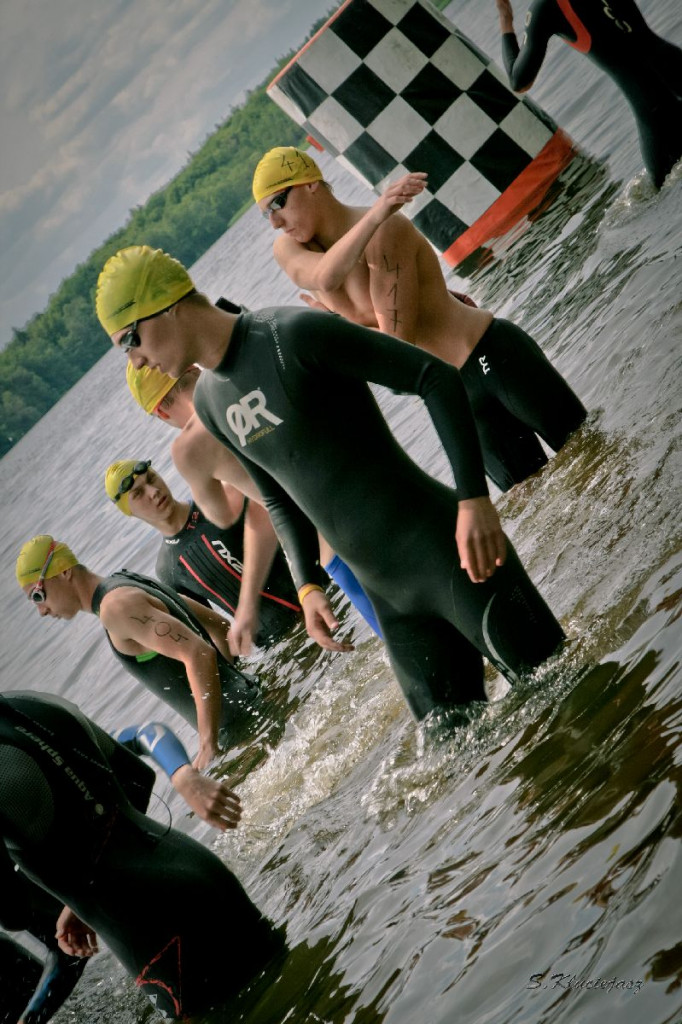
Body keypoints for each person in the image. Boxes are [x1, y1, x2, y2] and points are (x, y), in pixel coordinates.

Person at [97, 245, 566, 722]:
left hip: (451, 553)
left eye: (130, 339)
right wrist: (307, 585)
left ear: (170, 305)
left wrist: (474, 501)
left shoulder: (291, 334)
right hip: (390, 600)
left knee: (570, 694)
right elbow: (278, 497)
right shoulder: (215, 404)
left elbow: (434, 377)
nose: (134, 361)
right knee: (456, 753)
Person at [252, 146, 587, 494]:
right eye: (265, 215)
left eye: (278, 203)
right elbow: (325, 278)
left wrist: (337, 327)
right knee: (538, 503)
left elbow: (397, 356)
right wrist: (375, 214)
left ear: (310, 185)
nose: (275, 221)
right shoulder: (290, 249)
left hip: (493, 357)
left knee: (598, 454)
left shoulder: (387, 231)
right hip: (454, 395)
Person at [0, 691, 284, 1020]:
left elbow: (12, 911)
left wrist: (82, 888)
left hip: (151, 933)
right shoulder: (33, 702)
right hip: (199, 871)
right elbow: (137, 777)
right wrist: (81, 889)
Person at [126, 358, 383, 638]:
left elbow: (235, 515)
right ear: (194, 368)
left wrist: (257, 603)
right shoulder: (246, 381)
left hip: (335, 554)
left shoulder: (193, 447)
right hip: (371, 506)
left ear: (161, 412)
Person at [15, 534, 261, 770]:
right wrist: (235, 683)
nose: (41, 610)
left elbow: (199, 654)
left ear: (64, 571)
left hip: (242, 727)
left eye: (38, 595)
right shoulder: (126, 581)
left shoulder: (115, 608)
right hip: (254, 701)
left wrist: (208, 744)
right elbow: (221, 627)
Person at [105, 456, 303, 650]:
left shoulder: (220, 500)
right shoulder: (168, 569)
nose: (153, 491)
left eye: (151, 479)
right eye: (138, 493)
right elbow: (213, 635)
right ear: (128, 511)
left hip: (317, 597)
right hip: (280, 647)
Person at [494, 0, 682, 189]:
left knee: (661, 193)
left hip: (655, 114)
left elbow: (519, 81)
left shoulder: (546, 7)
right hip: (676, 67)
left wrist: (505, 18)